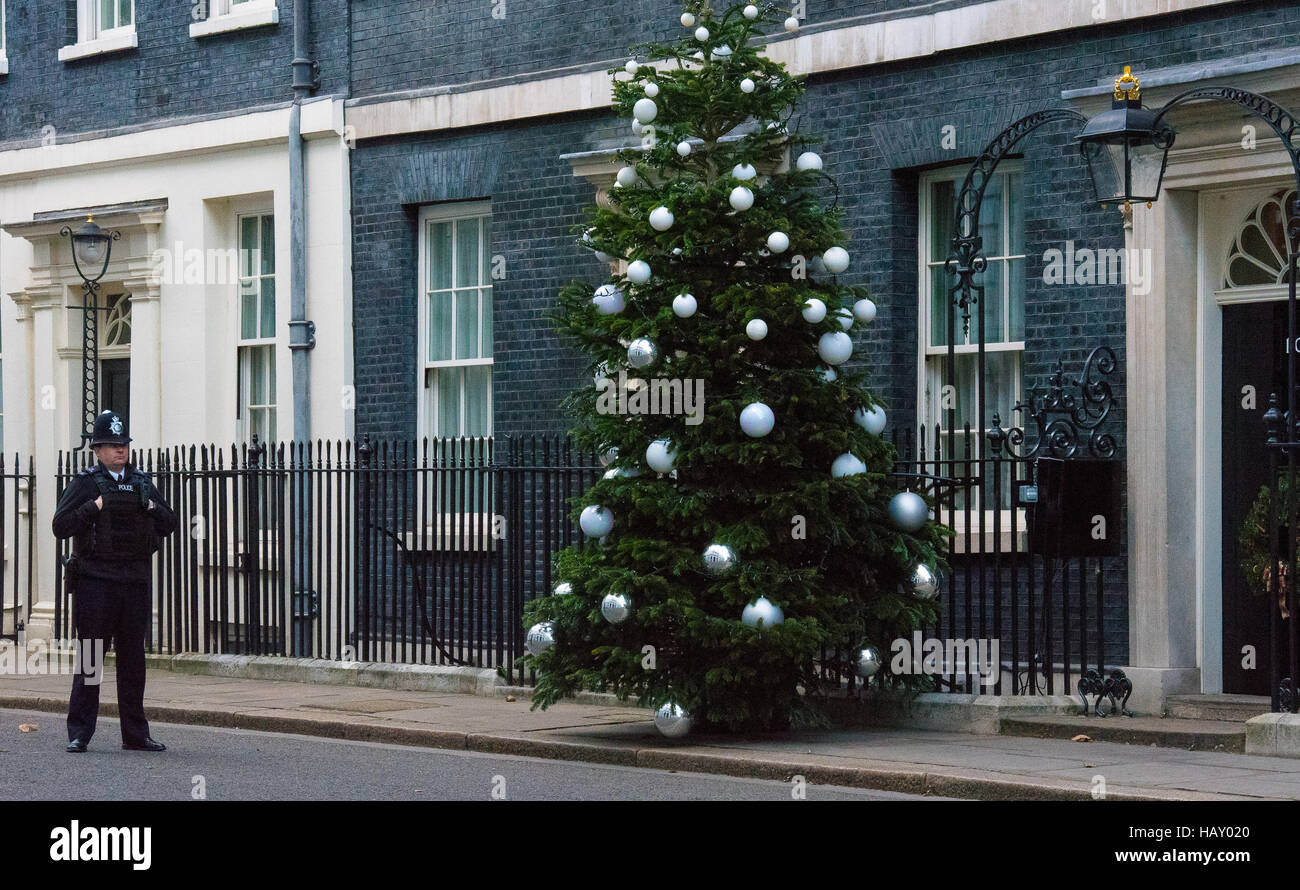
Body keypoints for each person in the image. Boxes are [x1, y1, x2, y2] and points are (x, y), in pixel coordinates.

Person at [53, 410, 178, 753]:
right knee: (91, 659)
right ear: (97, 450)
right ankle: (80, 732)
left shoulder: (141, 482)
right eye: (112, 445)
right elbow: (60, 526)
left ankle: (135, 735)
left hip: (134, 582)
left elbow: (170, 523)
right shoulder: (86, 482)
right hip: (96, 583)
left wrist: (151, 506)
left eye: (123, 444)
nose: (120, 451)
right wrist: (92, 508)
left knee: (133, 661)